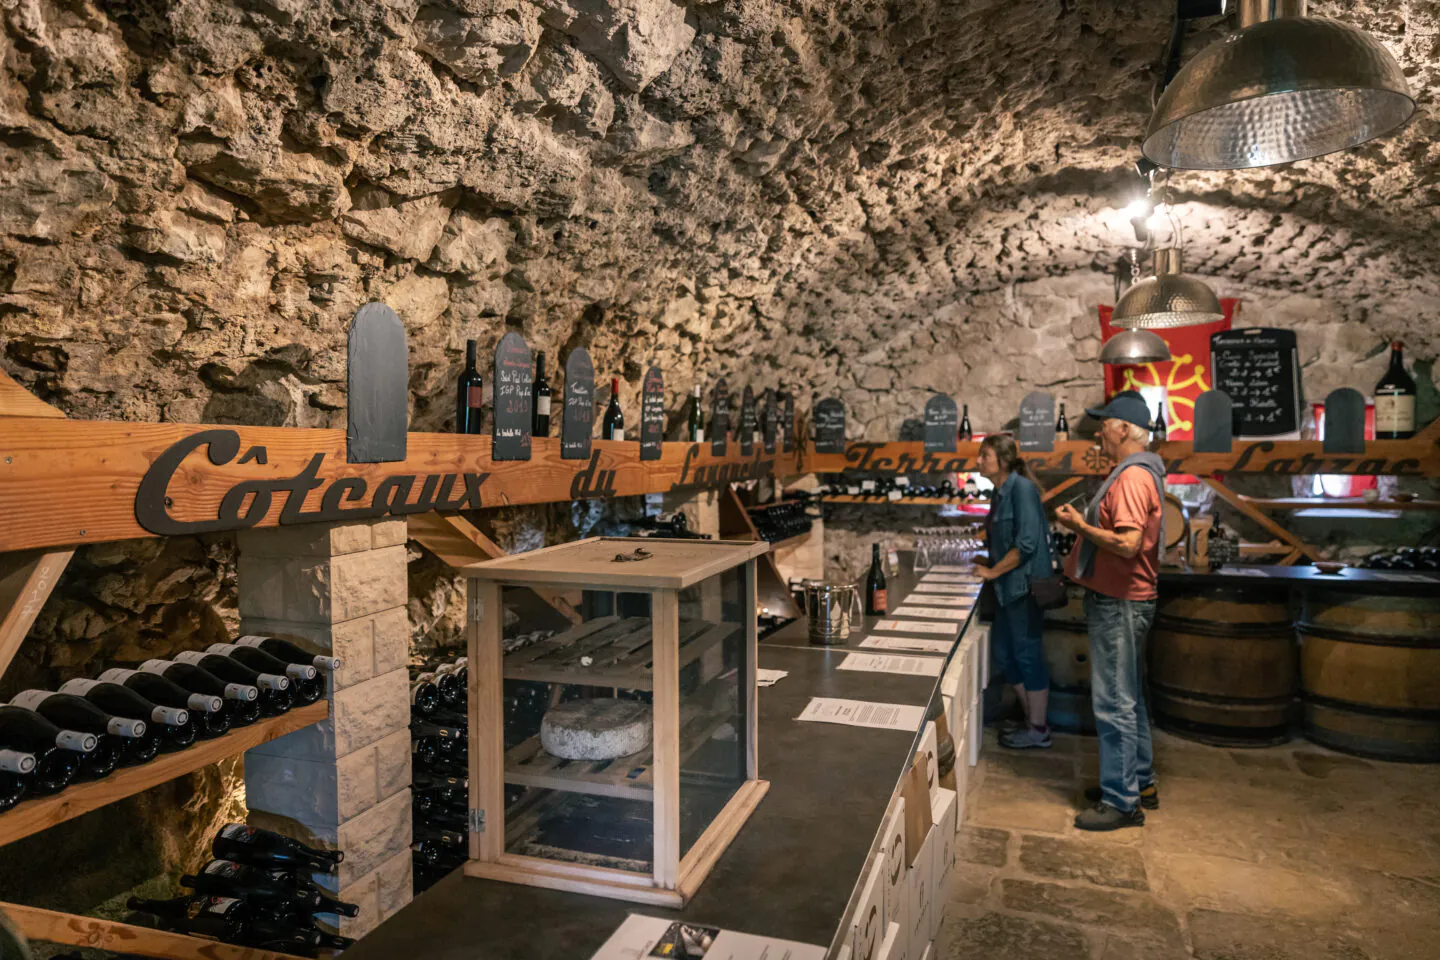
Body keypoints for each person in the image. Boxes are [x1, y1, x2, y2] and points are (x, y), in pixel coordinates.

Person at [1055, 390, 1165, 831]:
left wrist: (1079, 526)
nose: (1099, 431)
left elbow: (1129, 543)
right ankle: (1140, 783)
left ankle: (1123, 803)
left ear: (1124, 429)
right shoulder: (1137, 472)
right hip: (1127, 601)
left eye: (1105, 423)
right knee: (1129, 700)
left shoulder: (1133, 478)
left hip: (1120, 603)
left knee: (1114, 704)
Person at [972, 434, 1056, 749]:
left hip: (1024, 587)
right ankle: (1031, 720)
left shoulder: (1021, 490)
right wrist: (987, 557)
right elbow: (1005, 539)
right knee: (1005, 654)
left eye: (984, 456)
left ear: (1002, 461)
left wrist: (992, 570)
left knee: (1027, 654)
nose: (978, 461)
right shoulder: (999, 492)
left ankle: (1038, 728)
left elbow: (1027, 544)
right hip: (1007, 588)